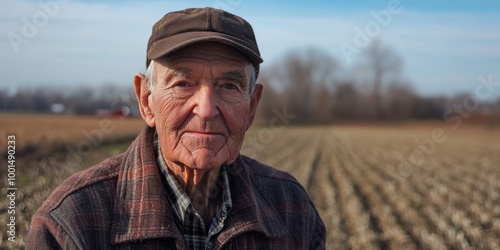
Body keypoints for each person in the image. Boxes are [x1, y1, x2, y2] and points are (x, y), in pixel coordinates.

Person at [27, 7, 326, 249]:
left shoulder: (293, 209)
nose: (206, 110)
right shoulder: (71, 223)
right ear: (146, 101)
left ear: (251, 107)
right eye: (183, 83)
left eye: (229, 85)